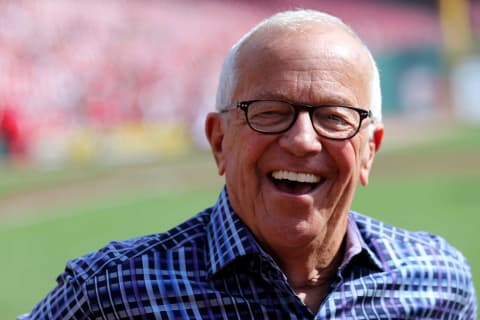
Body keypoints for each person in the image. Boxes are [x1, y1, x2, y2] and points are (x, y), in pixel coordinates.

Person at [20, 9, 477, 319]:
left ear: (369, 151)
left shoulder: (438, 283)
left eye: (334, 118)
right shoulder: (112, 291)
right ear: (219, 141)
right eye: (269, 112)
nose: (302, 140)